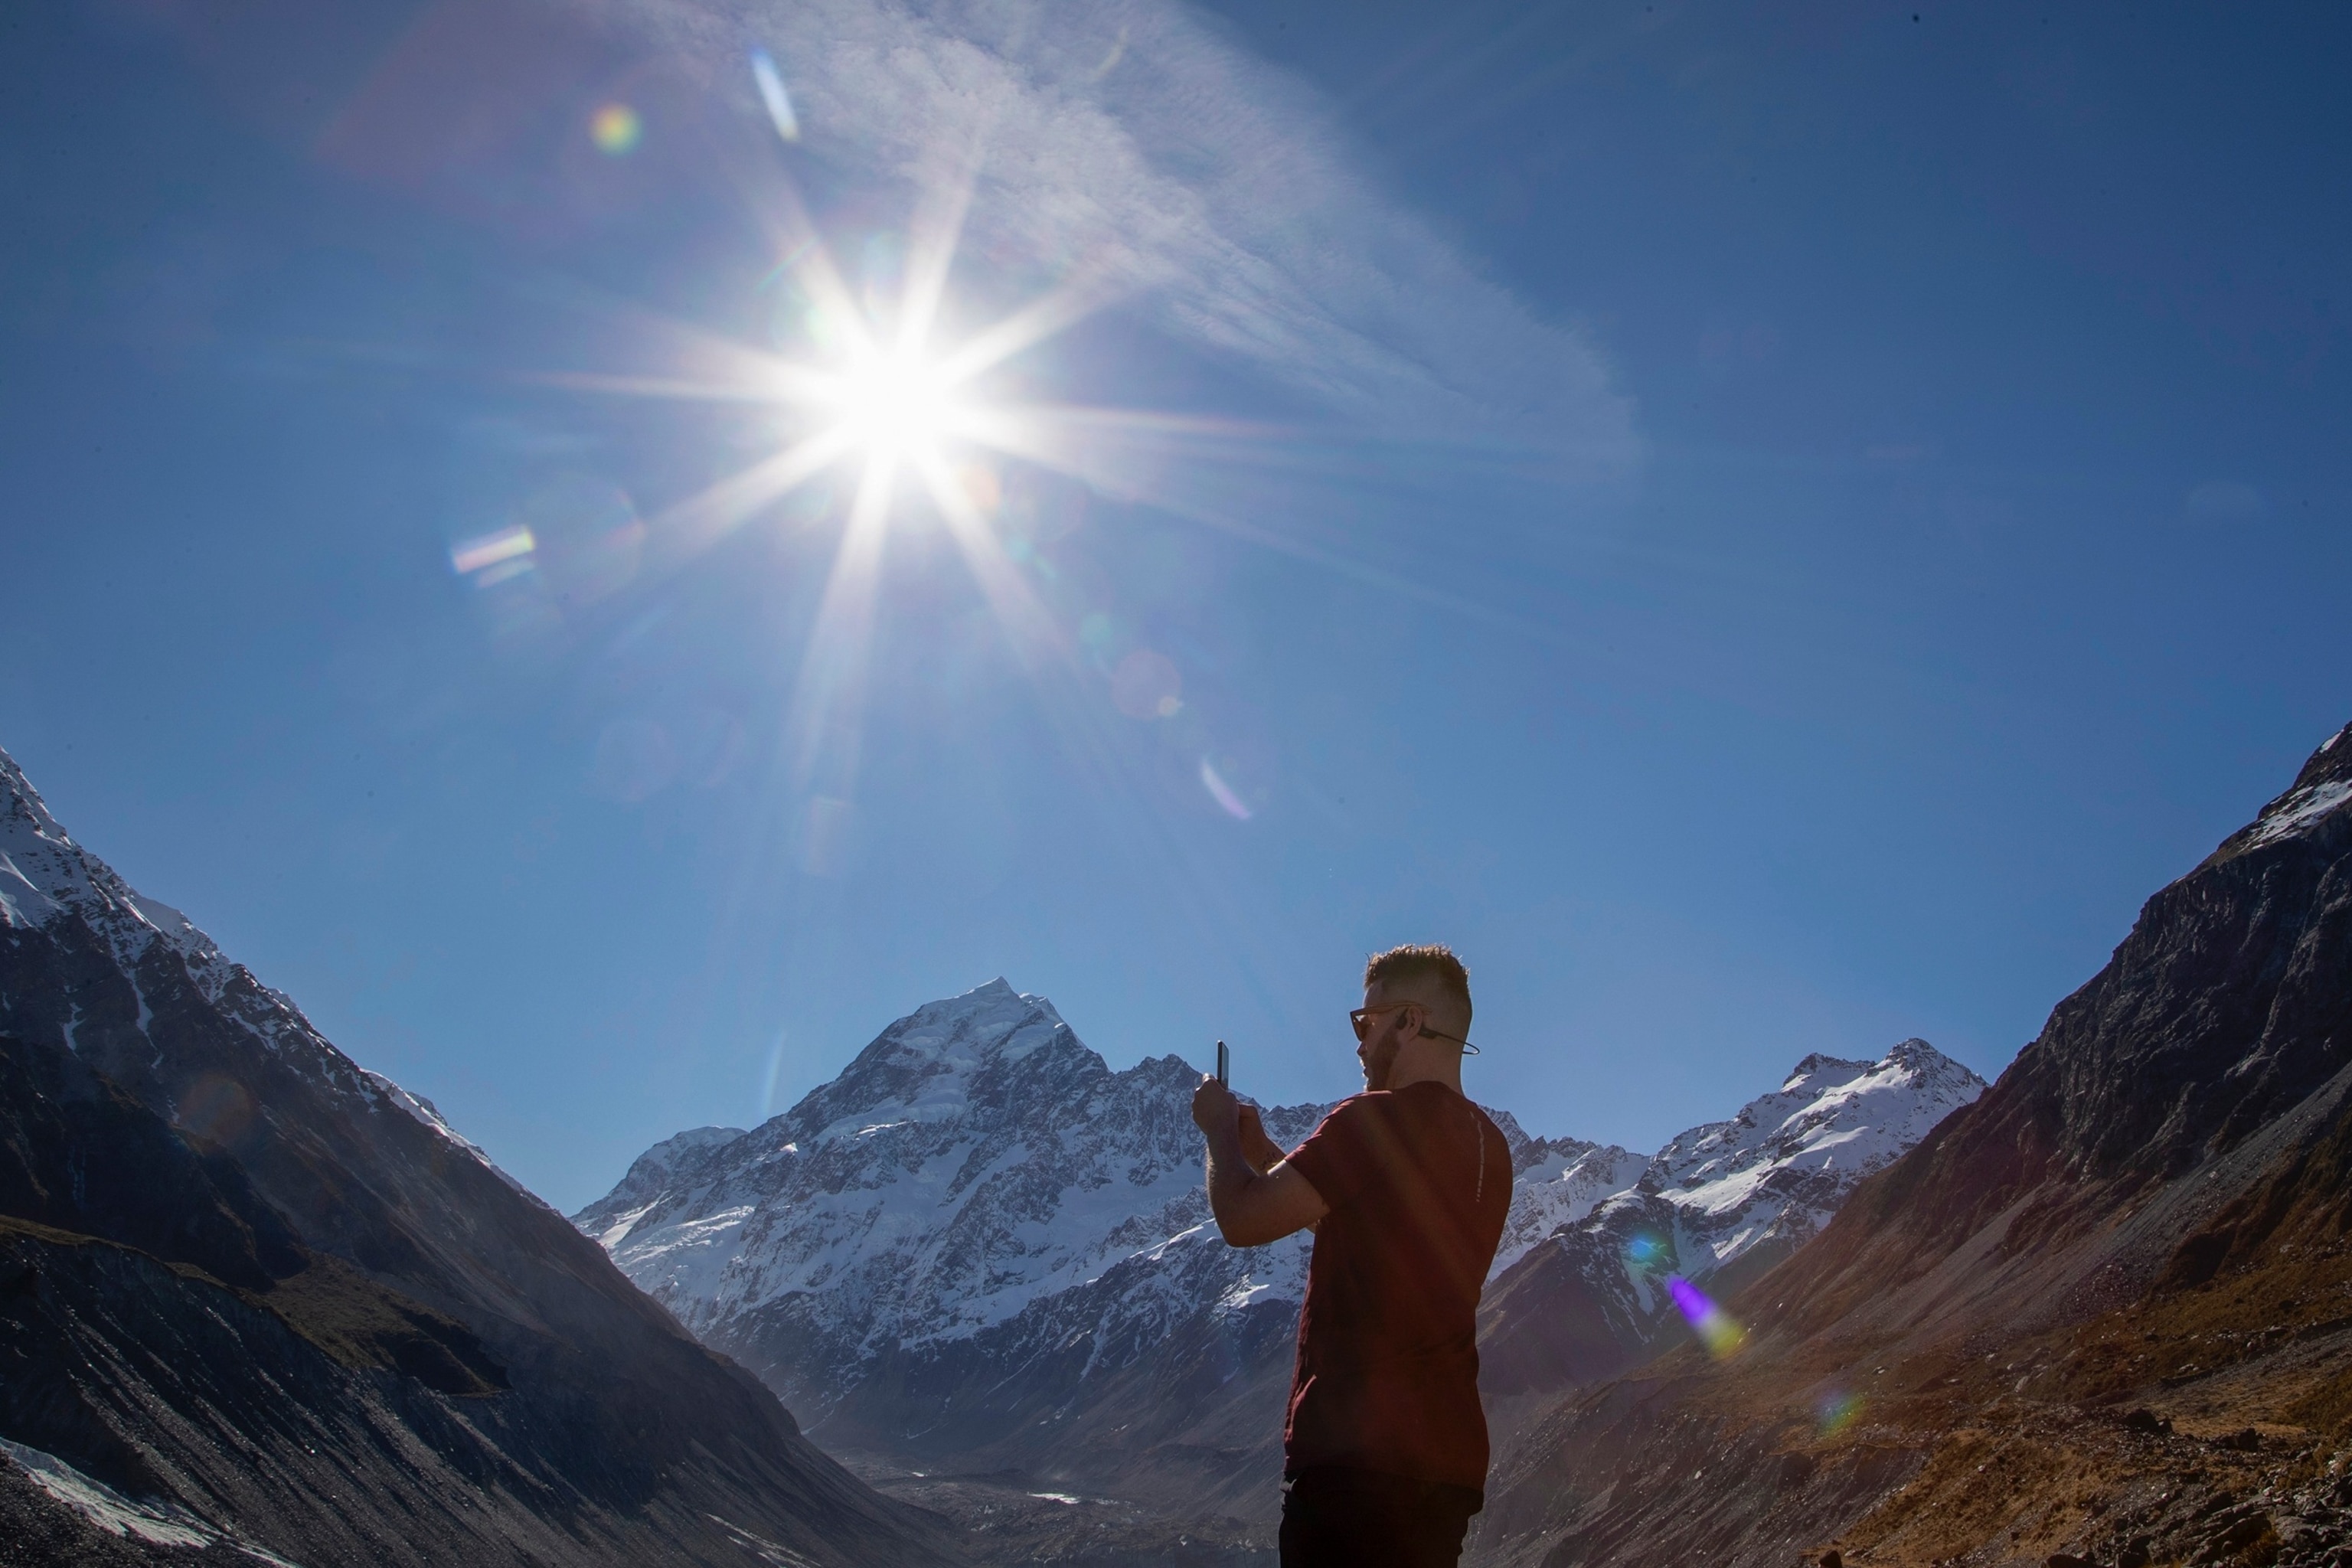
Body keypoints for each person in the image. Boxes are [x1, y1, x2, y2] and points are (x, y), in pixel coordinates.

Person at [1191, 943, 1513, 1568]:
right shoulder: (1489, 1146)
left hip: (1353, 1466)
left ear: (1410, 1021)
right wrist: (1265, 1155)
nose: (1360, 1044)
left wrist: (1219, 1135)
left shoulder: (1376, 1121)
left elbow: (1242, 1218)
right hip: (1442, 1471)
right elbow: (1364, 1230)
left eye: (1366, 1023)